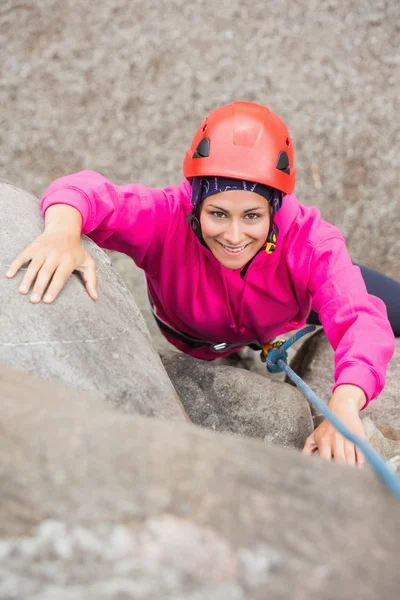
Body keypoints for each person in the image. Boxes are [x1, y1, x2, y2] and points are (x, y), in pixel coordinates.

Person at [6, 101, 398, 467]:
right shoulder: (164, 219)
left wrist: (345, 401)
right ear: (195, 203)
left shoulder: (309, 241)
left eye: (251, 216)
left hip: (284, 309)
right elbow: (83, 190)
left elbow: (360, 318)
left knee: (391, 304)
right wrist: (61, 233)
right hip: (201, 341)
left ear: (274, 209)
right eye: (217, 213)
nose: (233, 235)